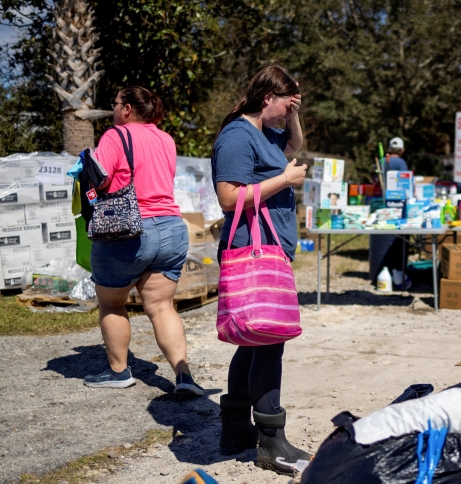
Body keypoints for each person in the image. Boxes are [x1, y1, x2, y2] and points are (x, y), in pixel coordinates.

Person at [211, 65, 311, 475]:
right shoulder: (237, 135)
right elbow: (228, 198)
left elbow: (294, 143)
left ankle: (235, 429)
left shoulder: (265, 132)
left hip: (270, 249)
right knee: (271, 340)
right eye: (286, 105)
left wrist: (296, 113)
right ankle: (272, 440)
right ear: (266, 97)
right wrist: (284, 181)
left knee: (254, 341)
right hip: (252, 250)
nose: (289, 115)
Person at [83, 87, 203, 397]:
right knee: (162, 306)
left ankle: (119, 372)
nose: (113, 108)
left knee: (112, 302)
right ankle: (184, 376)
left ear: (126, 109)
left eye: (115, 103)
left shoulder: (115, 135)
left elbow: (100, 180)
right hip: (172, 228)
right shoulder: (165, 139)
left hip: (130, 228)